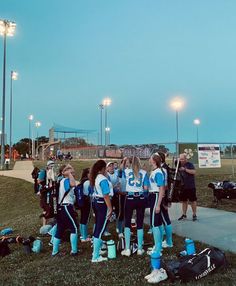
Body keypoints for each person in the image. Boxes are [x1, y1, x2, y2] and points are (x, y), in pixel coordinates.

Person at [121, 156, 149, 257]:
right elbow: (146, 188)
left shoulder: (127, 171)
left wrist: (124, 161)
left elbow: (122, 171)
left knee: (127, 222)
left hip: (130, 198)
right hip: (140, 198)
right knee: (140, 222)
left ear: (130, 163)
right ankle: (140, 249)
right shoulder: (144, 173)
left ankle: (127, 248)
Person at [52, 164, 78, 256]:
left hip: (61, 207)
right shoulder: (65, 180)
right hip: (66, 206)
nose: (72, 170)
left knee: (60, 228)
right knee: (74, 228)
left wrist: (68, 173)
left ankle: (55, 251)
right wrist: (69, 174)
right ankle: (74, 251)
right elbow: (73, 184)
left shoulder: (61, 180)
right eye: (70, 169)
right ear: (65, 172)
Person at [90, 159, 113, 263]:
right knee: (100, 229)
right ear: (103, 168)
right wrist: (110, 208)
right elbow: (106, 195)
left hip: (97, 202)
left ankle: (96, 251)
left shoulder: (96, 177)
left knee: (98, 228)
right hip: (102, 204)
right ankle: (95, 256)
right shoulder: (102, 179)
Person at [148, 153, 166, 255]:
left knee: (154, 224)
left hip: (155, 197)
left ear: (154, 161)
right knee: (157, 223)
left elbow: (161, 188)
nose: (149, 160)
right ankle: (158, 246)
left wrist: (158, 204)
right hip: (152, 196)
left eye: (150, 159)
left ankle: (158, 249)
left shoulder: (158, 172)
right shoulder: (154, 171)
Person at [178, 153, 197, 221]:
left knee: (193, 201)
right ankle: (184, 214)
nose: (181, 160)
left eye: (182, 159)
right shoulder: (178, 165)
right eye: (180, 159)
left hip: (190, 186)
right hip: (183, 187)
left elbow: (194, 172)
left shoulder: (190, 164)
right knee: (184, 201)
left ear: (186, 159)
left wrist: (185, 169)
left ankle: (194, 214)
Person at [79, 168, 93, 242]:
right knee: (86, 219)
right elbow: (89, 193)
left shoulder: (83, 181)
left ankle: (82, 234)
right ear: (87, 174)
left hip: (82, 201)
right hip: (87, 201)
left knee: (82, 218)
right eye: (90, 173)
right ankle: (84, 237)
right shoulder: (87, 182)